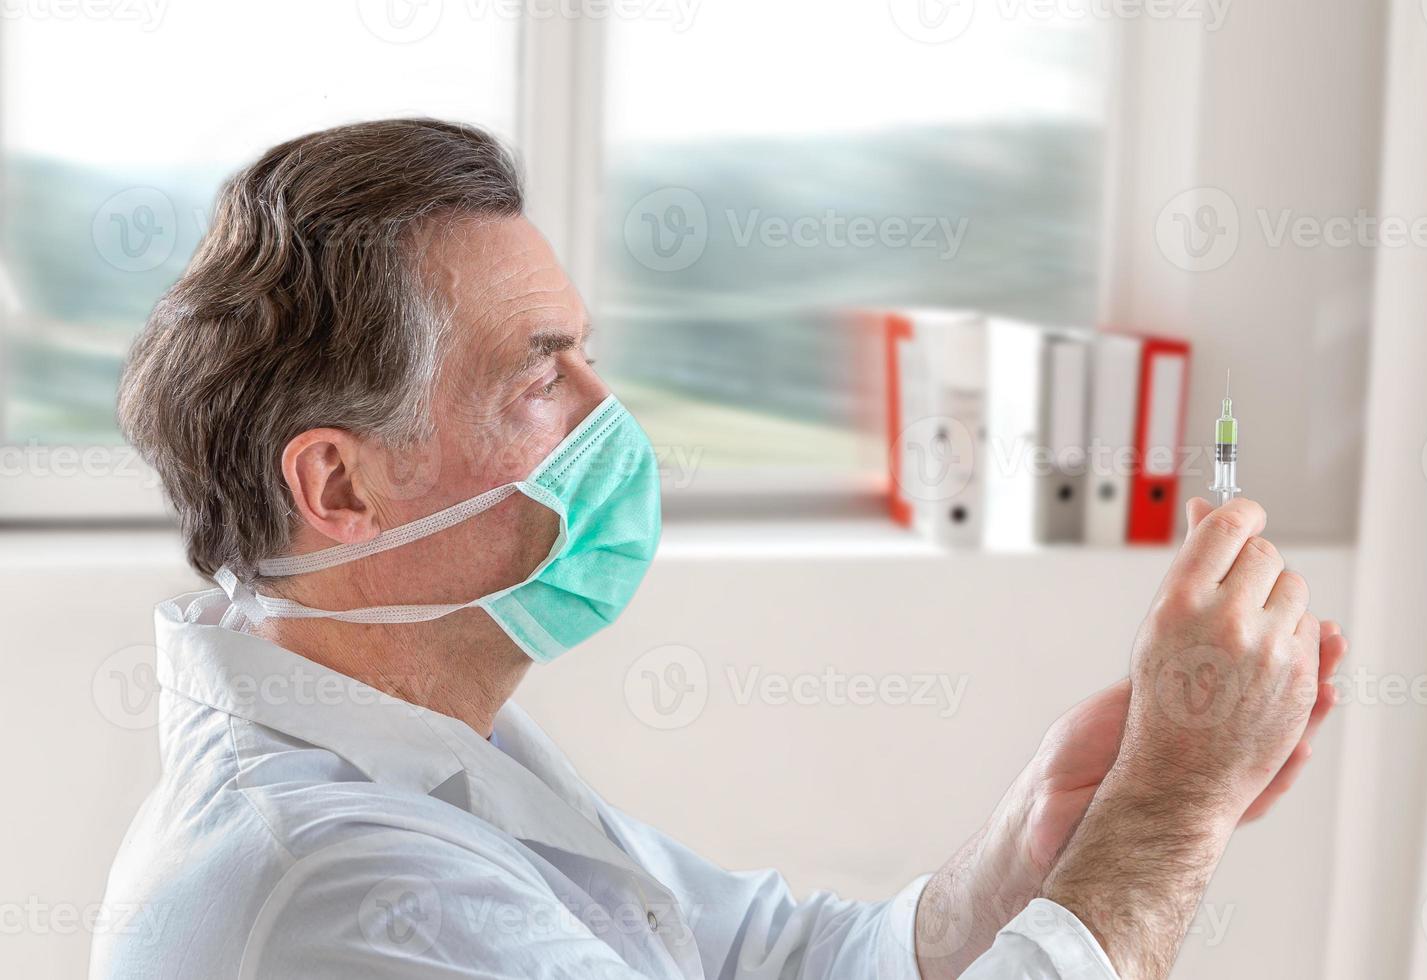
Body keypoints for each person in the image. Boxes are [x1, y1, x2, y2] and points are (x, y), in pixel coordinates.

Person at [91, 119, 1346, 980]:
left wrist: (1034, 849)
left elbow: (754, 956)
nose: (610, 414)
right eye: (540, 376)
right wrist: (1168, 808)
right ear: (341, 483)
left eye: (588, 351)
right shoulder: (346, 889)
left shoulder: (429, 752)